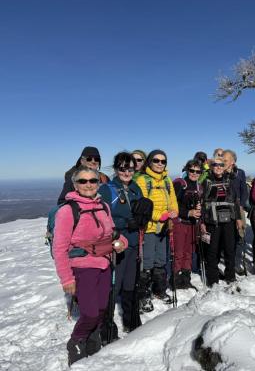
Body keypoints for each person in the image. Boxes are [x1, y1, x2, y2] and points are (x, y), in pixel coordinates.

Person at [52, 166, 128, 366]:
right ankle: (76, 341)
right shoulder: (68, 211)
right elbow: (59, 248)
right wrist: (67, 278)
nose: (88, 185)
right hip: (83, 266)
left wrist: (121, 243)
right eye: (83, 181)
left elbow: (112, 233)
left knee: (102, 308)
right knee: (90, 312)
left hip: (104, 264)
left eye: (92, 181)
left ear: (98, 183)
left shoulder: (103, 206)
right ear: (75, 184)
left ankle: (93, 339)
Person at [98, 152, 143, 333]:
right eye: (123, 168)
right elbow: (102, 219)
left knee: (131, 284)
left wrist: (142, 219)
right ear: (116, 168)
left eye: (130, 168)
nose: (127, 172)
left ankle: (132, 322)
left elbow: (139, 214)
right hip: (116, 245)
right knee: (114, 286)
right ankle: (106, 327)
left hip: (133, 243)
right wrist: (125, 223)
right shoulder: (107, 190)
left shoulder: (135, 188)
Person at [135, 150, 178, 311]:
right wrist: (160, 216)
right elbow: (143, 206)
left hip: (163, 228)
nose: (160, 164)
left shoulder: (167, 180)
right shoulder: (142, 180)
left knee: (160, 260)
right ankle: (143, 295)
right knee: (147, 261)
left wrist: (174, 212)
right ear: (150, 162)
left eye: (163, 161)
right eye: (156, 160)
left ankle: (159, 290)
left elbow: (173, 201)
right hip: (148, 228)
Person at [200, 158, 242, 286]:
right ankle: (213, 279)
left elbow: (235, 201)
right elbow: (201, 203)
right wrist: (201, 221)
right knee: (213, 250)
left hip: (229, 220)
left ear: (224, 167)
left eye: (221, 165)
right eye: (215, 165)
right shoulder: (206, 182)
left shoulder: (230, 181)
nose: (218, 167)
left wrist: (238, 218)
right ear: (211, 167)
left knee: (230, 249)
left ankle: (230, 276)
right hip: (212, 221)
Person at [172, 159, 203, 288]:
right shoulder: (180, 184)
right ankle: (175, 279)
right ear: (186, 170)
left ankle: (186, 278)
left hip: (192, 224)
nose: (194, 173)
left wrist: (200, 209)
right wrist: (188, 213)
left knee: (189, 252)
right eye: (192, 170)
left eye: (198, 171)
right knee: (179, 252)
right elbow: (174, 205)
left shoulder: (199, 187)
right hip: (180, 222)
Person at [223, 149, 248, 273]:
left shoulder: (240, 173)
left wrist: (242, 205)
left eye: (225, 160)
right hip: (224, 209)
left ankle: (237, 264)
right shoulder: (220, 173)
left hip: (238, 207)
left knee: (240, 236)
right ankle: (228, 263)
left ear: (232, 161)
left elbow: (244, 190)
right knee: (227, 237)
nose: (223, 162)